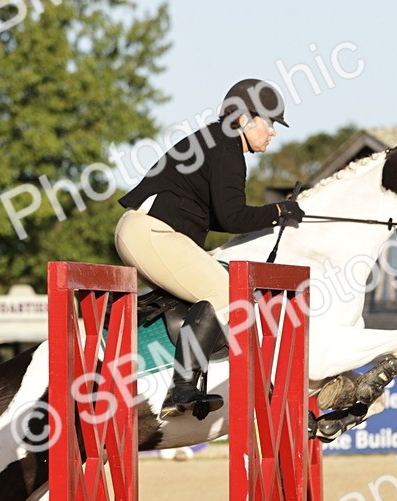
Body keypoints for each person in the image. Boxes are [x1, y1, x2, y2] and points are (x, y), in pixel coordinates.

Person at [116, 78, 304, 418]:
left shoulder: (216, 141)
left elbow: (217, 217)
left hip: (146, 229)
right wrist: (279, 211)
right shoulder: (226, 147)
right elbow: (234, 217)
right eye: (270, 122)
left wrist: (272, 214)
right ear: (245, 119)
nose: (273, 132)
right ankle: (182, 388)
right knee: (228, 294)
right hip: (151, 232)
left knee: (215, 288)